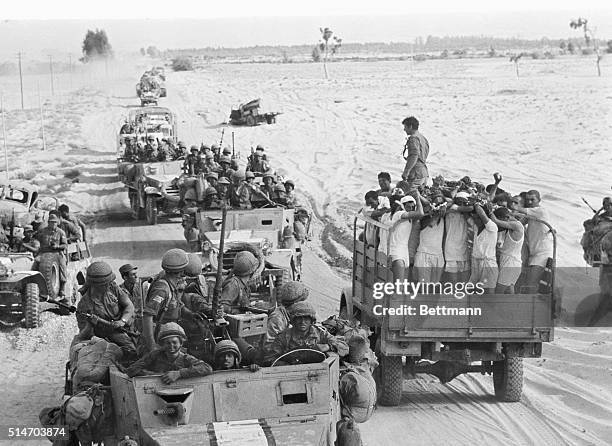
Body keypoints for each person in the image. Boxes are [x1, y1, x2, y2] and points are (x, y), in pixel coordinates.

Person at [141, 248, 201, 353]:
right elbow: (147, 316)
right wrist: (152, 345)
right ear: (181, 271)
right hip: (160, 335)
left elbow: (177, 306)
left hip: (171, 331)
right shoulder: (162, 290)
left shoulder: (173, 284)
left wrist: (191, 314)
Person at [75, 261, 137, 360]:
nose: (109, 285)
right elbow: (83, 335)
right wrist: (90, 325)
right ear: (97, 285)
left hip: (123, 329)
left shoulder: (112, 287)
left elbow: (129, 305)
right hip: (100, 339)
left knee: (134, 351)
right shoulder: (84, 305)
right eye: (106, 284)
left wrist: (122, 321)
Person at [264, 302, 349, 365]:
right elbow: (270, 359)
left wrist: (328, 346)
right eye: (299, 318)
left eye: (306, 319)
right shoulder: (283, 337)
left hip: (316, 373)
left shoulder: (320, 333)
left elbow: (344, 347)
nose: (302, 322)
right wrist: (288, 365)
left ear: (312, 321)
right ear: (293, 320)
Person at [126, 323, 213, 382]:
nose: (171, 346)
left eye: (174, 342)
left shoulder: (185, 358)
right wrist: (156, 375)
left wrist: (179, 374)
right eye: (167, 343)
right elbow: (132, 369)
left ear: (181, 343)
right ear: (162, 344)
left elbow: (206, 368)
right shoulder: (155, 355)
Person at [514, 190, 553, 289]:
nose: (530, 202)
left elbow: (517, 208)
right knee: (526, 282)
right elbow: (519, 224)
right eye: (528, 200)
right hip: (533, 254)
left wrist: (512, 206)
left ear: (539, 200)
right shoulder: (532, 214)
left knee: (530, 283)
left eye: (532, 199)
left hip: (542, 254)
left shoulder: (540, 211)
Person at [382, 192, 424, 282]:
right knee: (399, 286)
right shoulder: (400, 214)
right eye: (409, 206)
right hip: (397, 253)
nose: (411, 209)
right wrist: (418, 198)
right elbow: (420, 213)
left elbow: (423, 212)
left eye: (413, 207)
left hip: (404, 253)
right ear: (403, 206)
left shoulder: (409, 218)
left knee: (401, 286)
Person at [262, 281, 309, 352]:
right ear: (295, 303)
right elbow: (268, 347)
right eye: (302, 302)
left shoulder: (294, 315)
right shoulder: (277, 318)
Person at [490, 207, 524, 294]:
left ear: (506, 218)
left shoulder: (516, 225)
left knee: (498, 292)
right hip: (510, 263)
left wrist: (489, 210)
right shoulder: (513, 225)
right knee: (509, 290)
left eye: (503, 221)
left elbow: (495, 221)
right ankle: (513, 307)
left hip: (511, 263)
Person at [34, 214, 68, 299]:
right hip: (44, 253)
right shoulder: (43, 231)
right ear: (48, 223)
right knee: (34, 263)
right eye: (51, 222)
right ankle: (35, 286)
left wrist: (57, 246)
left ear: (57, 223)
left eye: (54, 222)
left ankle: (62, 288)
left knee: (62, 266)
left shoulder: (60, 232)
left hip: (57, 253)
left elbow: (65, 245)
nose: (53, 224)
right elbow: (35, 238)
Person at [444, 191, 473, 284]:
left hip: (463, 249)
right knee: (453, 281)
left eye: (464, 202)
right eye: (459, 201)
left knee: (464, 280)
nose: (461, 204)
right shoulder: (452, 208)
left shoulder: (467, 215)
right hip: (451, 249)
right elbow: (470, 207)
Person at [468, 203, 499, 293]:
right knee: (472, 289)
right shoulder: (476, 227)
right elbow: (466, 215)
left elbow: (480, 212)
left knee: (488, 292)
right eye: (475, 218)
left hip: (488, 263)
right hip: (476, 262)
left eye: (478, 218)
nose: (476, 220)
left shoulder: (492, 227)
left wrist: (476, 202)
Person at [401, 116, 429, 192]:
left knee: (411, 195)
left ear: (410, 126)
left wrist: (406, 172)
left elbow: (414, 156)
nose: (404, 129)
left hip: (416, 173)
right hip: (424, 173)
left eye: (405, 127)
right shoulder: (423, 138)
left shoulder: (413, 138)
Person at [119, 264, 144, 332]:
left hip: (142, 322)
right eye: (133, 274)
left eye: (136, 274)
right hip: (128, 325)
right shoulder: (119, 291)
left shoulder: (141, 287)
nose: (136, 276)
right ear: (125, 278)